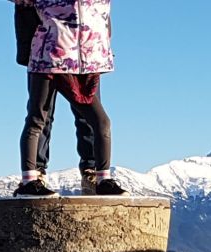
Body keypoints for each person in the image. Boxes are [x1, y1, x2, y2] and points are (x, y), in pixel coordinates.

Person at [9, 0, 125, 197]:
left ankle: (97, 175)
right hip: (49, 54)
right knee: (40, 116)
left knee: (95, 119)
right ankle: (33, 177)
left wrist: (102, 49)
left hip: (87, 58)